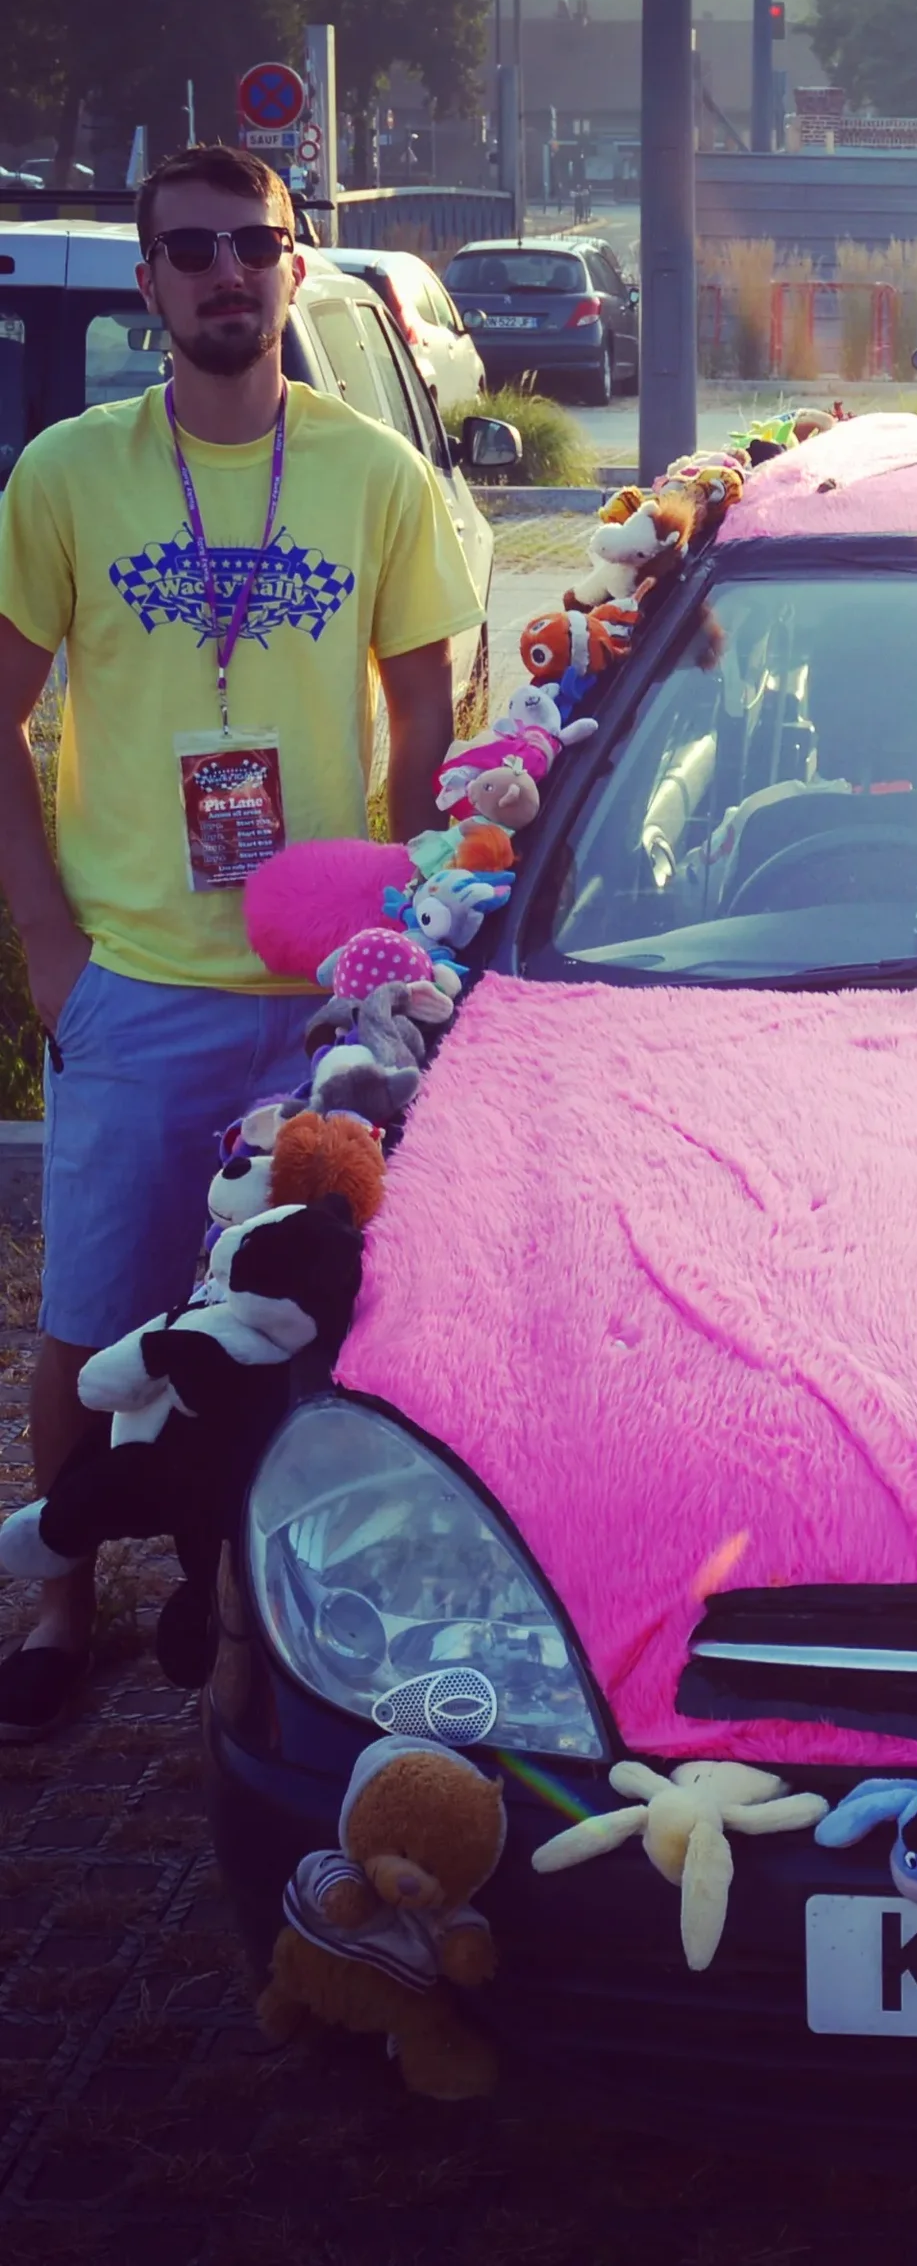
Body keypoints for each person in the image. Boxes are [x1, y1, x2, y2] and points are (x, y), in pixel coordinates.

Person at [0, 143, 481, 1740]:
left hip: (329, 1009)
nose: (225, 273)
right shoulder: (70, 473)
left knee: (316, 1330)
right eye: (191, 249)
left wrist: (415, 942)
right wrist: (51, 945)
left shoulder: (373, 475)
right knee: (93, 1313)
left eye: (252, 246)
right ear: (148, 282)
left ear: (295, 266)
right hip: (138, 985)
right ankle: (64, 1598)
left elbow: (427, 723)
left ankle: (265, 1614)